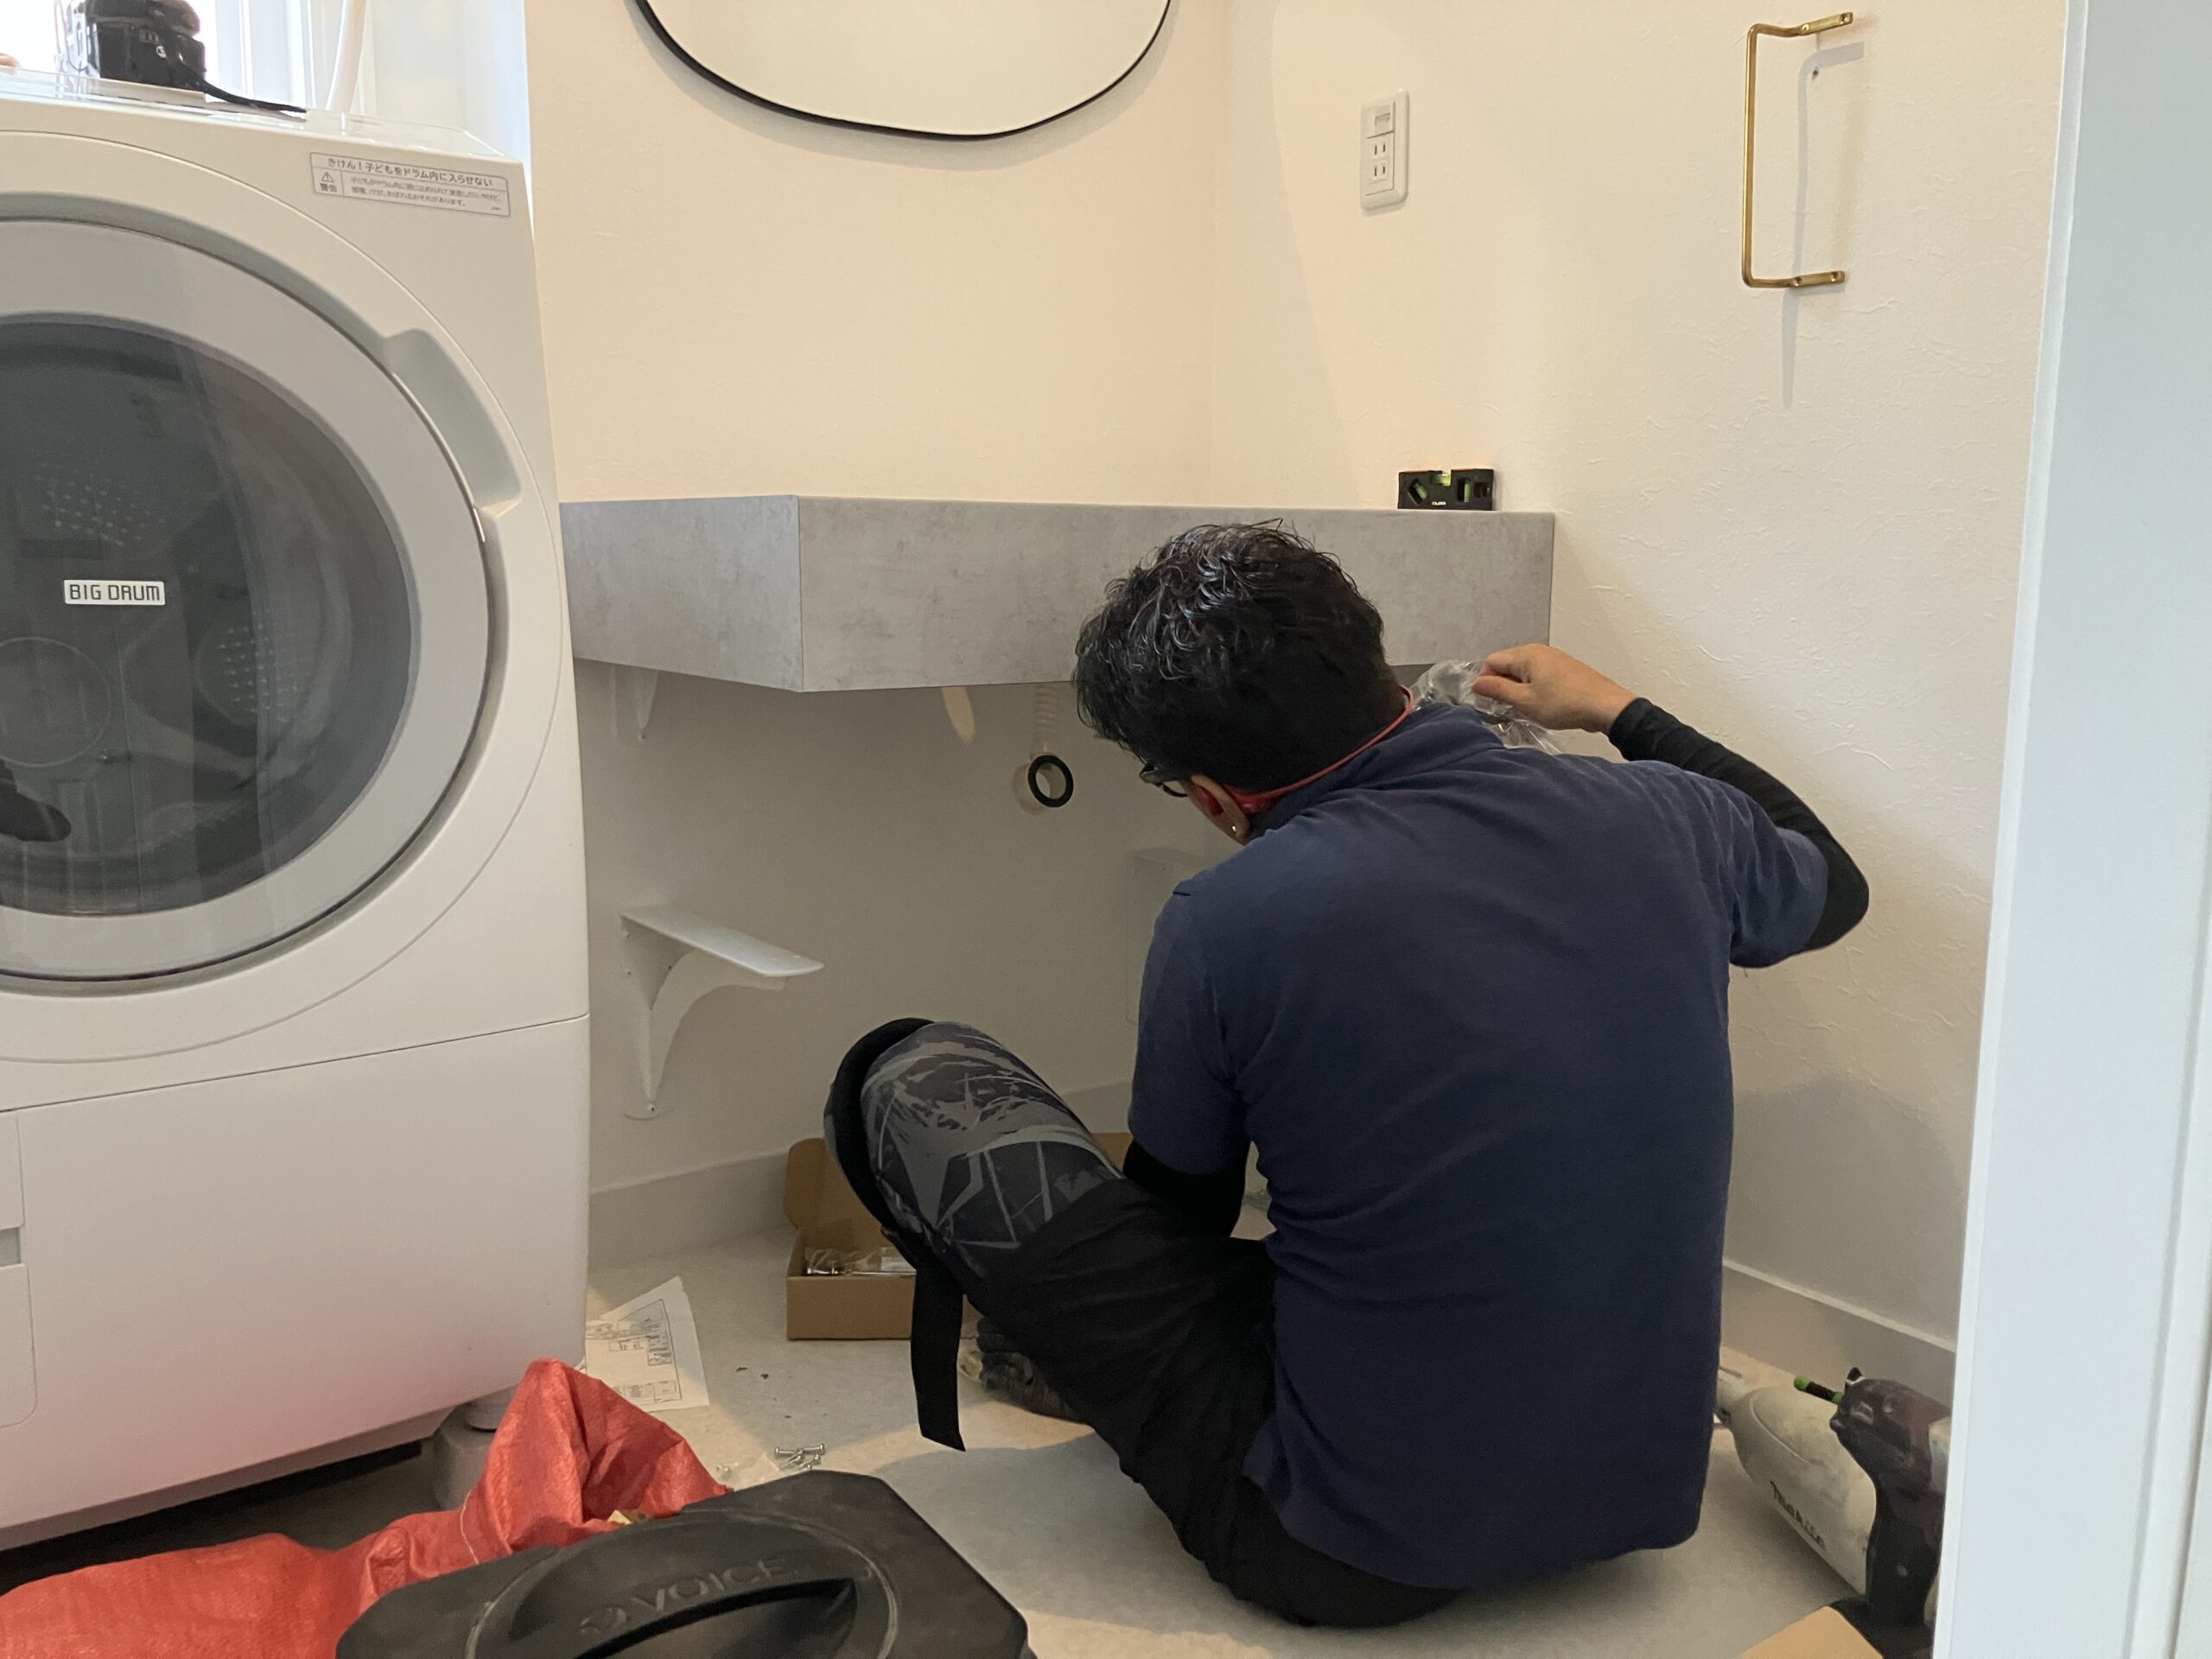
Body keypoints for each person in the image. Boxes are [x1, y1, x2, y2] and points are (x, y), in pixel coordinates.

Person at [822, 522, 1867, 1628]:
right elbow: (1833, 889)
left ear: (1214, 798)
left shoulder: (1227, 918)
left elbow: (1180, 1225)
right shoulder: (1674, 817)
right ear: (1380, 669)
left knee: (911, 1071)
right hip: (1632, 1499)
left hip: (1341, 1556)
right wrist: (1617, 710)